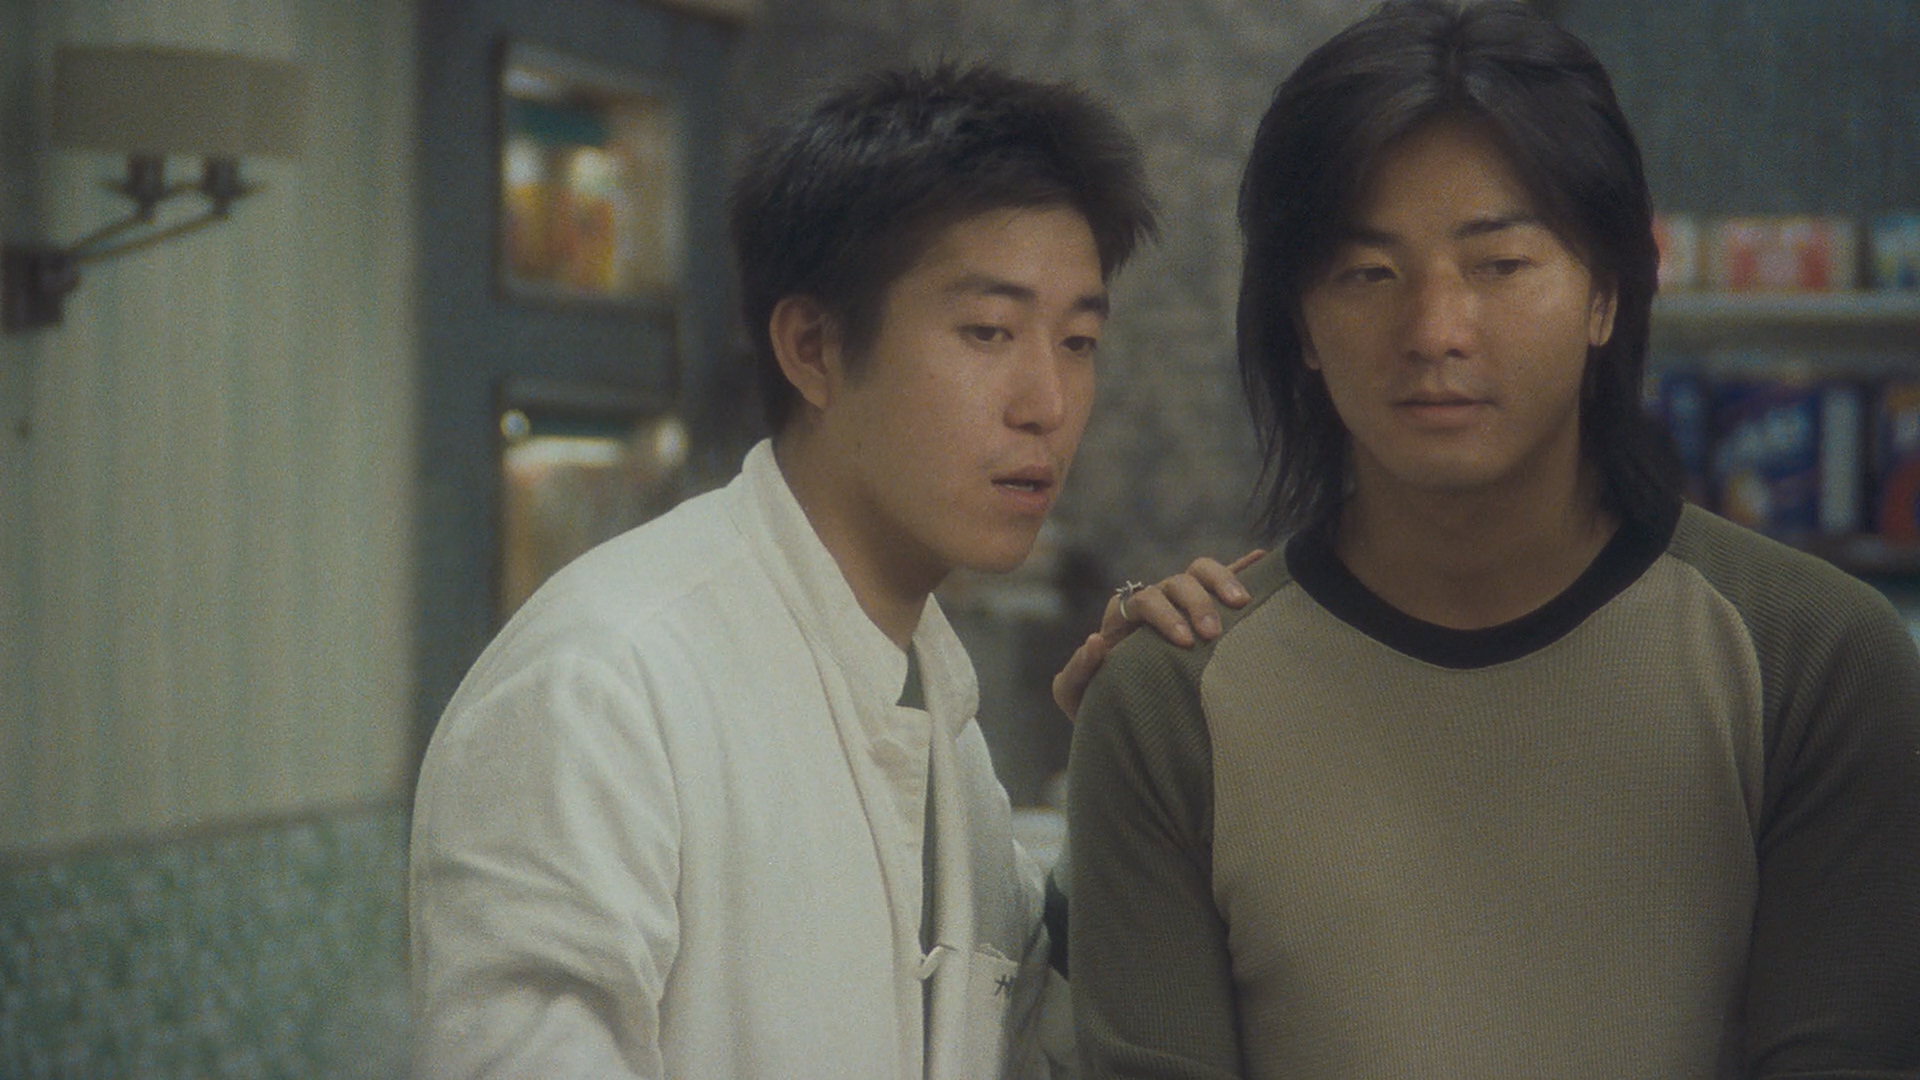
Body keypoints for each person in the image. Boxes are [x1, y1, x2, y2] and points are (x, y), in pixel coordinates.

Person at [1065, 2, 1920, 1077]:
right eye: (1367, 273)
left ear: (1607, 294)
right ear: (1301, 325)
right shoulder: (1171, 705)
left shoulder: (1812, 659)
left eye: (1501, 264)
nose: (1435, 330)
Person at [408, 64, 1186, 1078]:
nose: (1047, 401)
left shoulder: (936, 712)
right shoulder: (605, 682)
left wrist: (1133, 765)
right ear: (813, 347)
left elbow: (1038, 1051)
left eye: (1078, 341)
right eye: (988, 332)